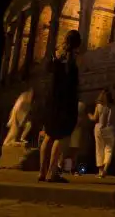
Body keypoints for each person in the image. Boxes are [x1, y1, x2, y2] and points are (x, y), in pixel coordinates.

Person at [39, 29, 81, 183]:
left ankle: (42, 172)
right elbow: (73, 85)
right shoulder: (73, 60)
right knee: (61, 136)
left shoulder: (55, 56)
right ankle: (52, 172)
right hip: (66, 102)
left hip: (51, 101)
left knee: (49, 135)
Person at [88, 89, 115, 178]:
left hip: (99, 128)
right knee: (109, 149)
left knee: (99, 149)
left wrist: (89, 115)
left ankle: (100, 171)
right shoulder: (112, 106)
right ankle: (105, 169)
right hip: (109, 129)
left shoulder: (99, 106)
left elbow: (94, 118)